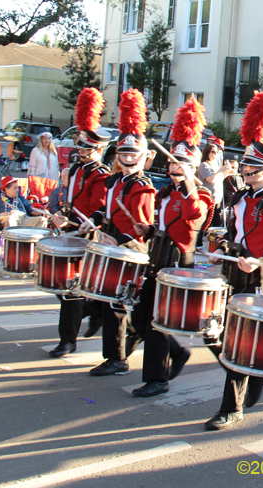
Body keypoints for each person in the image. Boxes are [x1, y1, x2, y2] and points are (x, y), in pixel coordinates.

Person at [205, 89, 263, 431]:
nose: (245, 170)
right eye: (245, 165)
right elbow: (237, 233)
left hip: (259, 277)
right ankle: (252, 371)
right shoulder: (241, 198)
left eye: (252, 167)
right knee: (216, 336)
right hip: (233, 270)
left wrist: (258, 263)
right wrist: (225, 243)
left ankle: (231, 406)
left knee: (238, 341)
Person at [126, 98, 210, 397]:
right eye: (174, 162)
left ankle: (157, 379)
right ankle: (179, 352)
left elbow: (196, 215)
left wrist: (189, 182)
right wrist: (148, 230)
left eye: (183, 164)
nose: (175, 168)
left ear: (193, 167)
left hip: (177, 263)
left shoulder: (199, 194)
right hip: (156, 259)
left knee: (156, 323)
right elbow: (162, 226)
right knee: (139, 317)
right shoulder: (165, 193)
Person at [81, 89, 157, 378]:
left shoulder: (143, 186)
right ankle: (115, 355)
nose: (126, 157)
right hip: (110, 243)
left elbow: (140, 225)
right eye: (123, 153)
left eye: (132, 153)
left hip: (128, 249)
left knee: (116, 307)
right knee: (107, 302)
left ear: (143, 157)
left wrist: (119, 240)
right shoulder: (114, 180)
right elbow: (106, 210)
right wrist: (94, 220)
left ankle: (118, 360)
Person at [47, 88, 111, 358]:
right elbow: (66, 198)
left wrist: (87, 222)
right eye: (80, 146)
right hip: (69, 229)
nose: (81, 150)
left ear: (98, 149)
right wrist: (57, 214)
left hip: (86, 234)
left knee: (70, 288)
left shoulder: (101, 174)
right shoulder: (74, 169)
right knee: (62, 286)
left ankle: (68, 340)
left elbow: (99, 206)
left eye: (86, 147)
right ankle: (93, 311)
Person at [198, 137, 231, 241]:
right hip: (207, 199)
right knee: (204, 223)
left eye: (216, 152)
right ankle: (198, 243)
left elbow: (220, 178)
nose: (215, 154)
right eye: (213, 152)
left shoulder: (215, 165)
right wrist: (220, 170)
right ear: (207, 152)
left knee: (216, 225)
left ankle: (214, 244)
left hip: (216, 199)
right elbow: (211, 179)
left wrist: (226, 171)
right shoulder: (203, 165)